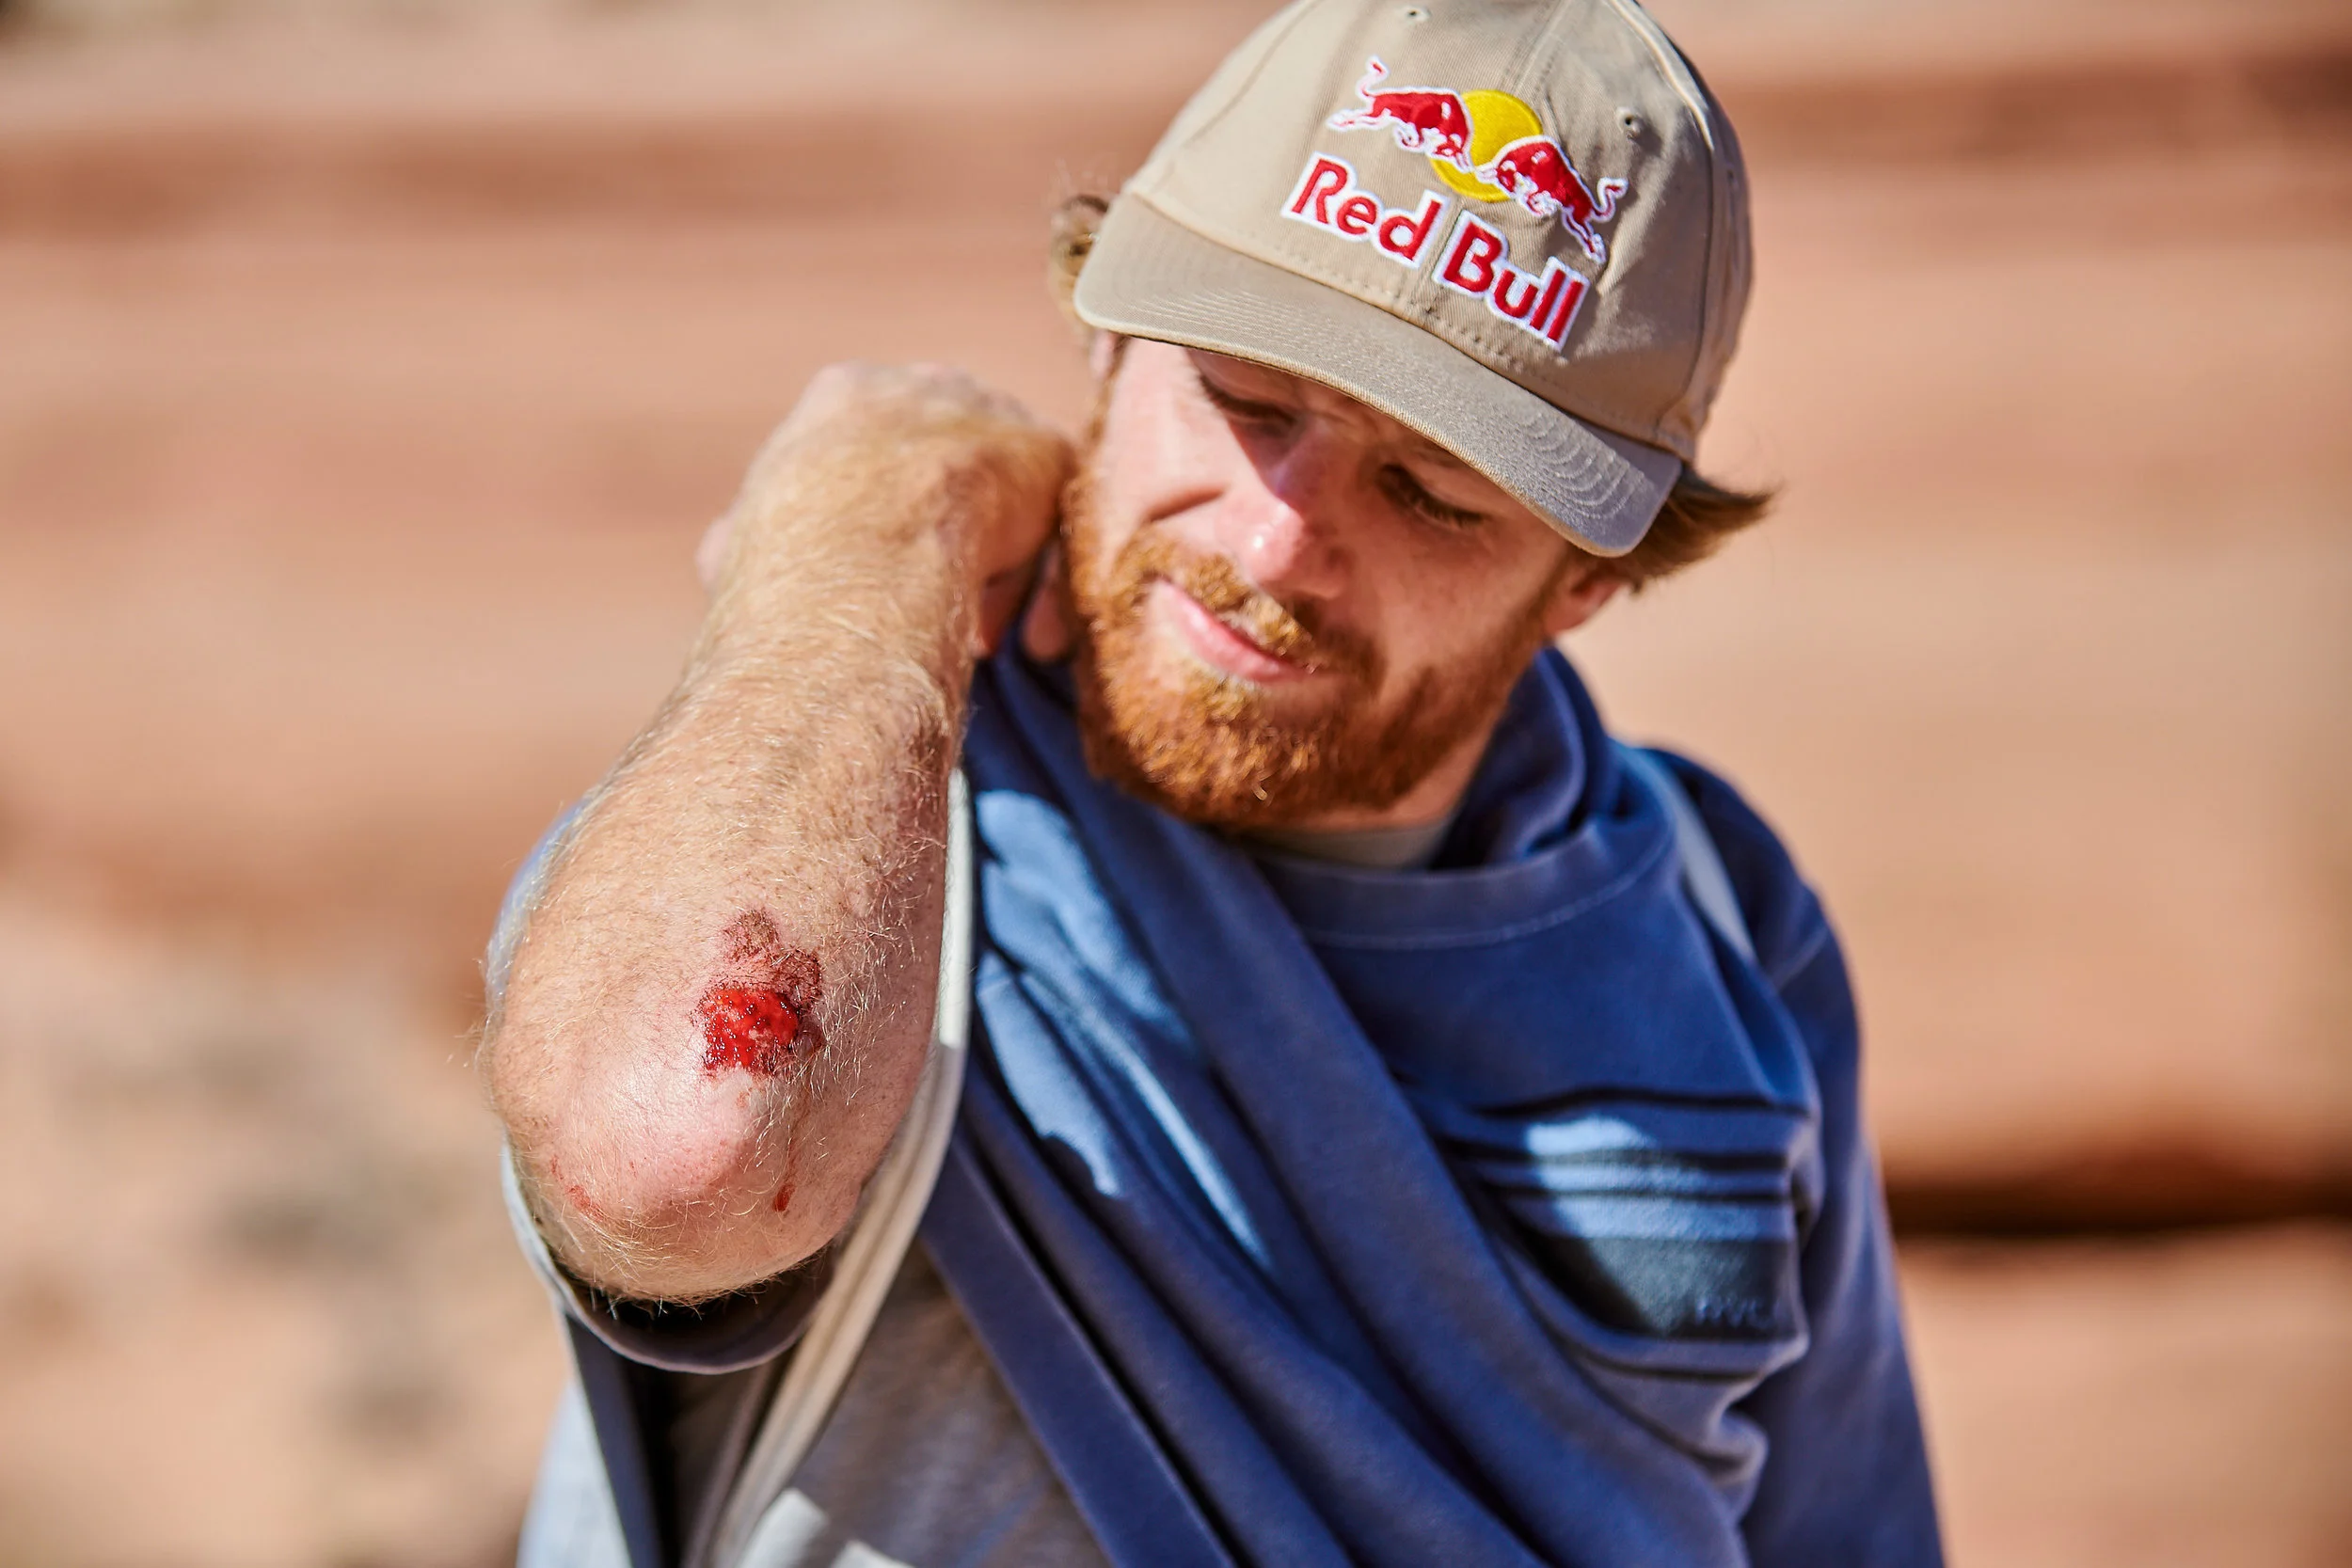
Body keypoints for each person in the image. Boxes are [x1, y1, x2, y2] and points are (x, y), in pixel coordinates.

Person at [479, 1, 1944, 1564]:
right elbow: (677, 1161)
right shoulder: (877, 840)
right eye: (1248, 403)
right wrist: (856, 535)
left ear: (1589, 577)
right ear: (1104, 331)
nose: (1272, 545)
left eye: (1431, 495)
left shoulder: (1723, 918)